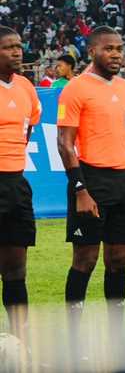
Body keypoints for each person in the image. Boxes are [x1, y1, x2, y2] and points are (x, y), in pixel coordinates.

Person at [57, 26, 125, 358]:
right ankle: (74, 341)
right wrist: (80, 188)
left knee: (119, 261)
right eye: (108, 48)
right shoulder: (76, 88)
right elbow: (65, 143)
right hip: (90, 180)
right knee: (85, 260)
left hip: (122, 183)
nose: (116, 54)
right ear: (92, 51)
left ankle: (115, 338)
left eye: (119, 48)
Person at [0, 27, 41, 342]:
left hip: (16, 184)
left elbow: (27, 132)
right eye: (8, 47)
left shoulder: (26, 87)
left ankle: (19, 341)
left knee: (16, 271)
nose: (17, 52)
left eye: (19, 46)